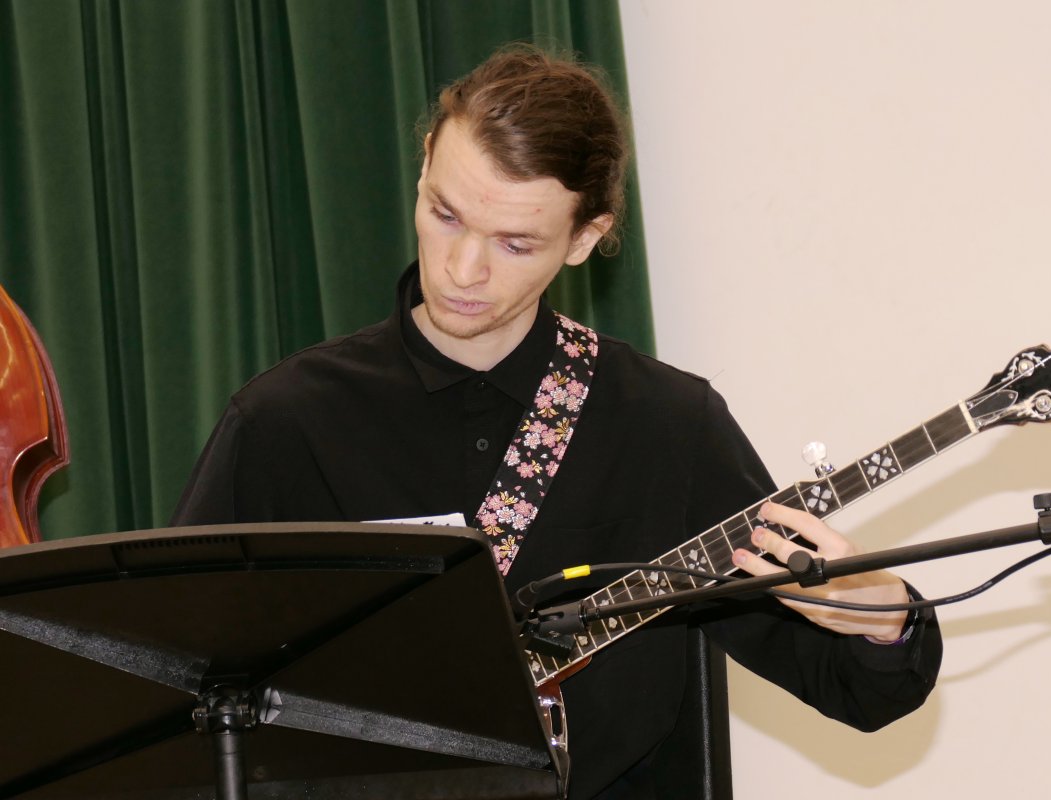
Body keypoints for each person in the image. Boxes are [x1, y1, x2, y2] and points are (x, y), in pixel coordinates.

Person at [172, 45, 941, 800]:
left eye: (515, 243)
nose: (464, 269)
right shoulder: (287, 422)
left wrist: (884, 618)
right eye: (445, 214)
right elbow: (173, 682)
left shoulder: (666, 425)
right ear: (425, 163)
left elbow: (849, 687)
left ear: (584, 238)